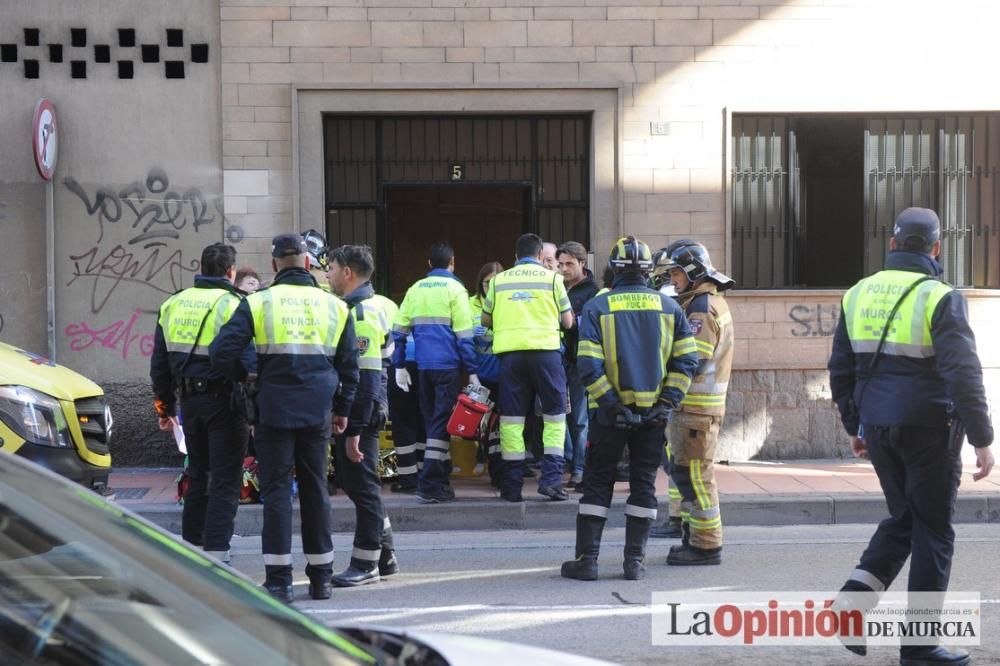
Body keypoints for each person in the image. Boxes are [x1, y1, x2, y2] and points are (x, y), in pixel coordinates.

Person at [828, 207, 994, 665]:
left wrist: (854, 425)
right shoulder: (941, 296)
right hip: (929, 429)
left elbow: (841, 370)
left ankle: (852, 604)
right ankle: (919, 647)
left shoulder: (858, 293)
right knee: (934, 532)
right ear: (937, 248)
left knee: (905, 519)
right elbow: (962, 373)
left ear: (893, 243)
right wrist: (982, 437)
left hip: (878, 427)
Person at [210, 233, 359, 604]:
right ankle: (321, 578)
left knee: (276, 492)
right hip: (317, 411)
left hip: (273, 408)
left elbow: (221, 353)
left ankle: (279, 581)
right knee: (315, 490)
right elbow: (349, 366)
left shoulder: (258, 302)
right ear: (308, 264)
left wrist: (246, 377)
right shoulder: (335, 306)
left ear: (275, 264)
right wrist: (342, 409)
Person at [561, 236, 698, 581]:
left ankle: (587, 561)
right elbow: (686, 363)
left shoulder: (596, 306)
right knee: (643, 485)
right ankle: (633, 562)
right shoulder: (670, 308)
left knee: (597, 484)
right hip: (653, 416)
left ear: (613, 270)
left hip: (609, 417)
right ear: (649, 271)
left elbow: (588, 366)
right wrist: (665, 404)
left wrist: (612, 405)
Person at [150, 243, 252, 564]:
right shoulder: (234, 304)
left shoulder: (173, 304)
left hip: (188, 404)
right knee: (225, 477)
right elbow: (247, 360)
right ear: (230, 271)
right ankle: (217, 551)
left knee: (197, 473)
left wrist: (165, 410)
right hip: (225, 401)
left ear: (202, 268)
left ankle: (192, 549)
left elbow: (159, 366)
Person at [651, 241, 736, 565]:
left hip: (696, 410)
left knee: (696, 477)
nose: (672, 280)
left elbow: (694, 359)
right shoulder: (707, 301)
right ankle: (694, 537)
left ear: (692, 272)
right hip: (696, 411)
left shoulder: (701, 308)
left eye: (675, 273)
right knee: (687, 474)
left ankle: (705, 545)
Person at [326, 245, 399, 587]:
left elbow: (368, 376)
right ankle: (385, 555)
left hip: (360, 413)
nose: (326, 274)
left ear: (347, 273)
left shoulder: (362, 314)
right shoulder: (358, 308)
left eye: (330, 268)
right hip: (360, 411)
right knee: (360, 485)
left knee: (363, 486)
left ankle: (366, 562)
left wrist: (354, 427)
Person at [481, 233, 574, 502]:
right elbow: (568, 323)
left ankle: (511, 487)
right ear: (538, 255)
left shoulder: (498, 281)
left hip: (510, 358)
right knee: (555, 416)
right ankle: (552, 481)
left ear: (515, 256)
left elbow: (486, 320)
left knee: (512, 419)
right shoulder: (554, 279)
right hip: (546, 355)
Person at [391, 243, 480, 504]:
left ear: (429, 264)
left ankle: (438, 482)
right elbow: (464, 336)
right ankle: (430, 483)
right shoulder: (456, 289)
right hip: (447, 368)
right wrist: (472, 371)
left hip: (422, 367)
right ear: (452, 262)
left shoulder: (415, 289)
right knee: (440, 424)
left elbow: (398, 332)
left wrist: (398, 366)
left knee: (432, 422)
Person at [556, 242, 599, 488]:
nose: (564, 269)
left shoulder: (592, 292)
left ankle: (580, 469)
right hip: (559, 360)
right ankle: (569, 462)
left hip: (581, 362)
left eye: (569, 264)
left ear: (582, 263)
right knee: (559, 416)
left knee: (580, 419)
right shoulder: (558, 286)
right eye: (561, 264)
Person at [470, 261, 504, 485]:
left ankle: (498, 468)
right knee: (479, 423)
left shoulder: (507, 301)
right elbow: (460, 334)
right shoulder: (469, 303)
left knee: (500, 425)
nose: (489, 287)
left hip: (504, 373)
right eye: (485, 283)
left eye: (493, 283)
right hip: (480, 374)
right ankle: (482, 456)